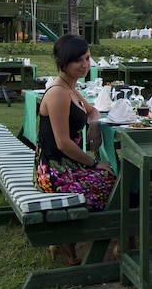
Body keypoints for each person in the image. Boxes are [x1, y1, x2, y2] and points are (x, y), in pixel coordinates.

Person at [34, 34, 116, 265]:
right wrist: (94, 163)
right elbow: (62, 143)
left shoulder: (70, 88)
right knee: (116, 186)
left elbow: (93, 111)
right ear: (62, 62)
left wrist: (94, 125)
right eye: (77, 60)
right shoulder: (58, 93)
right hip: (54, 171)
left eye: (87, 58)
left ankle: (67, 242)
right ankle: (70, 240)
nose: (85, 64)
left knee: (118, 182)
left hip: (67, 166)